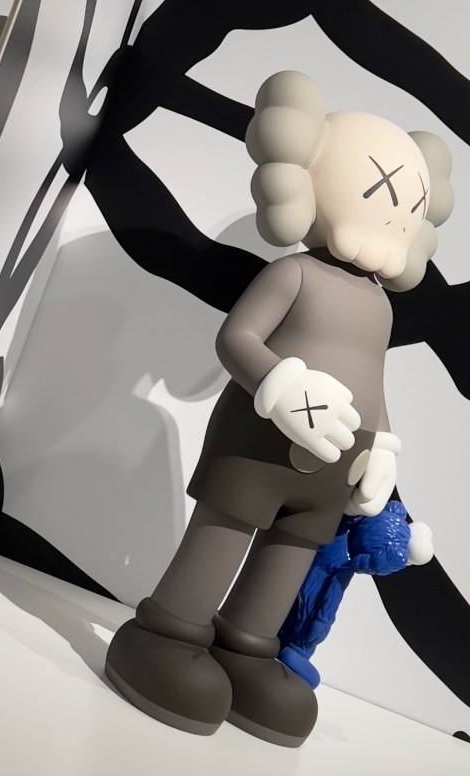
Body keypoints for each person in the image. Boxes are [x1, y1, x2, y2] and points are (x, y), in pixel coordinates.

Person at [105, 70, 454, 746]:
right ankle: (167, 634)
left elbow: (374, 382)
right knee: (228, 529)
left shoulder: (380, 306)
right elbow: (237, 340)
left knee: (292, 551)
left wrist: (383, 449)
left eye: (409, 202)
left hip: (334, 465)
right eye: (381, 189)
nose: (395, 212)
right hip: (259, 443)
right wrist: (283, 386)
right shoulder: (292, 273)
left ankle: (247, 649)